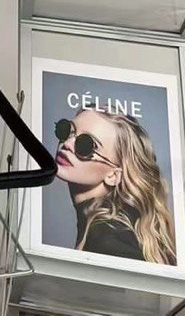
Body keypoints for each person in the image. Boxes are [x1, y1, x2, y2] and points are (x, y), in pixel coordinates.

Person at [52, 108, 177, 265]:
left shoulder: (109, 240)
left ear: (113, 176)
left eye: (86, 145)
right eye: (66, 131)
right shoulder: (101, 227)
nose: (67, 144)